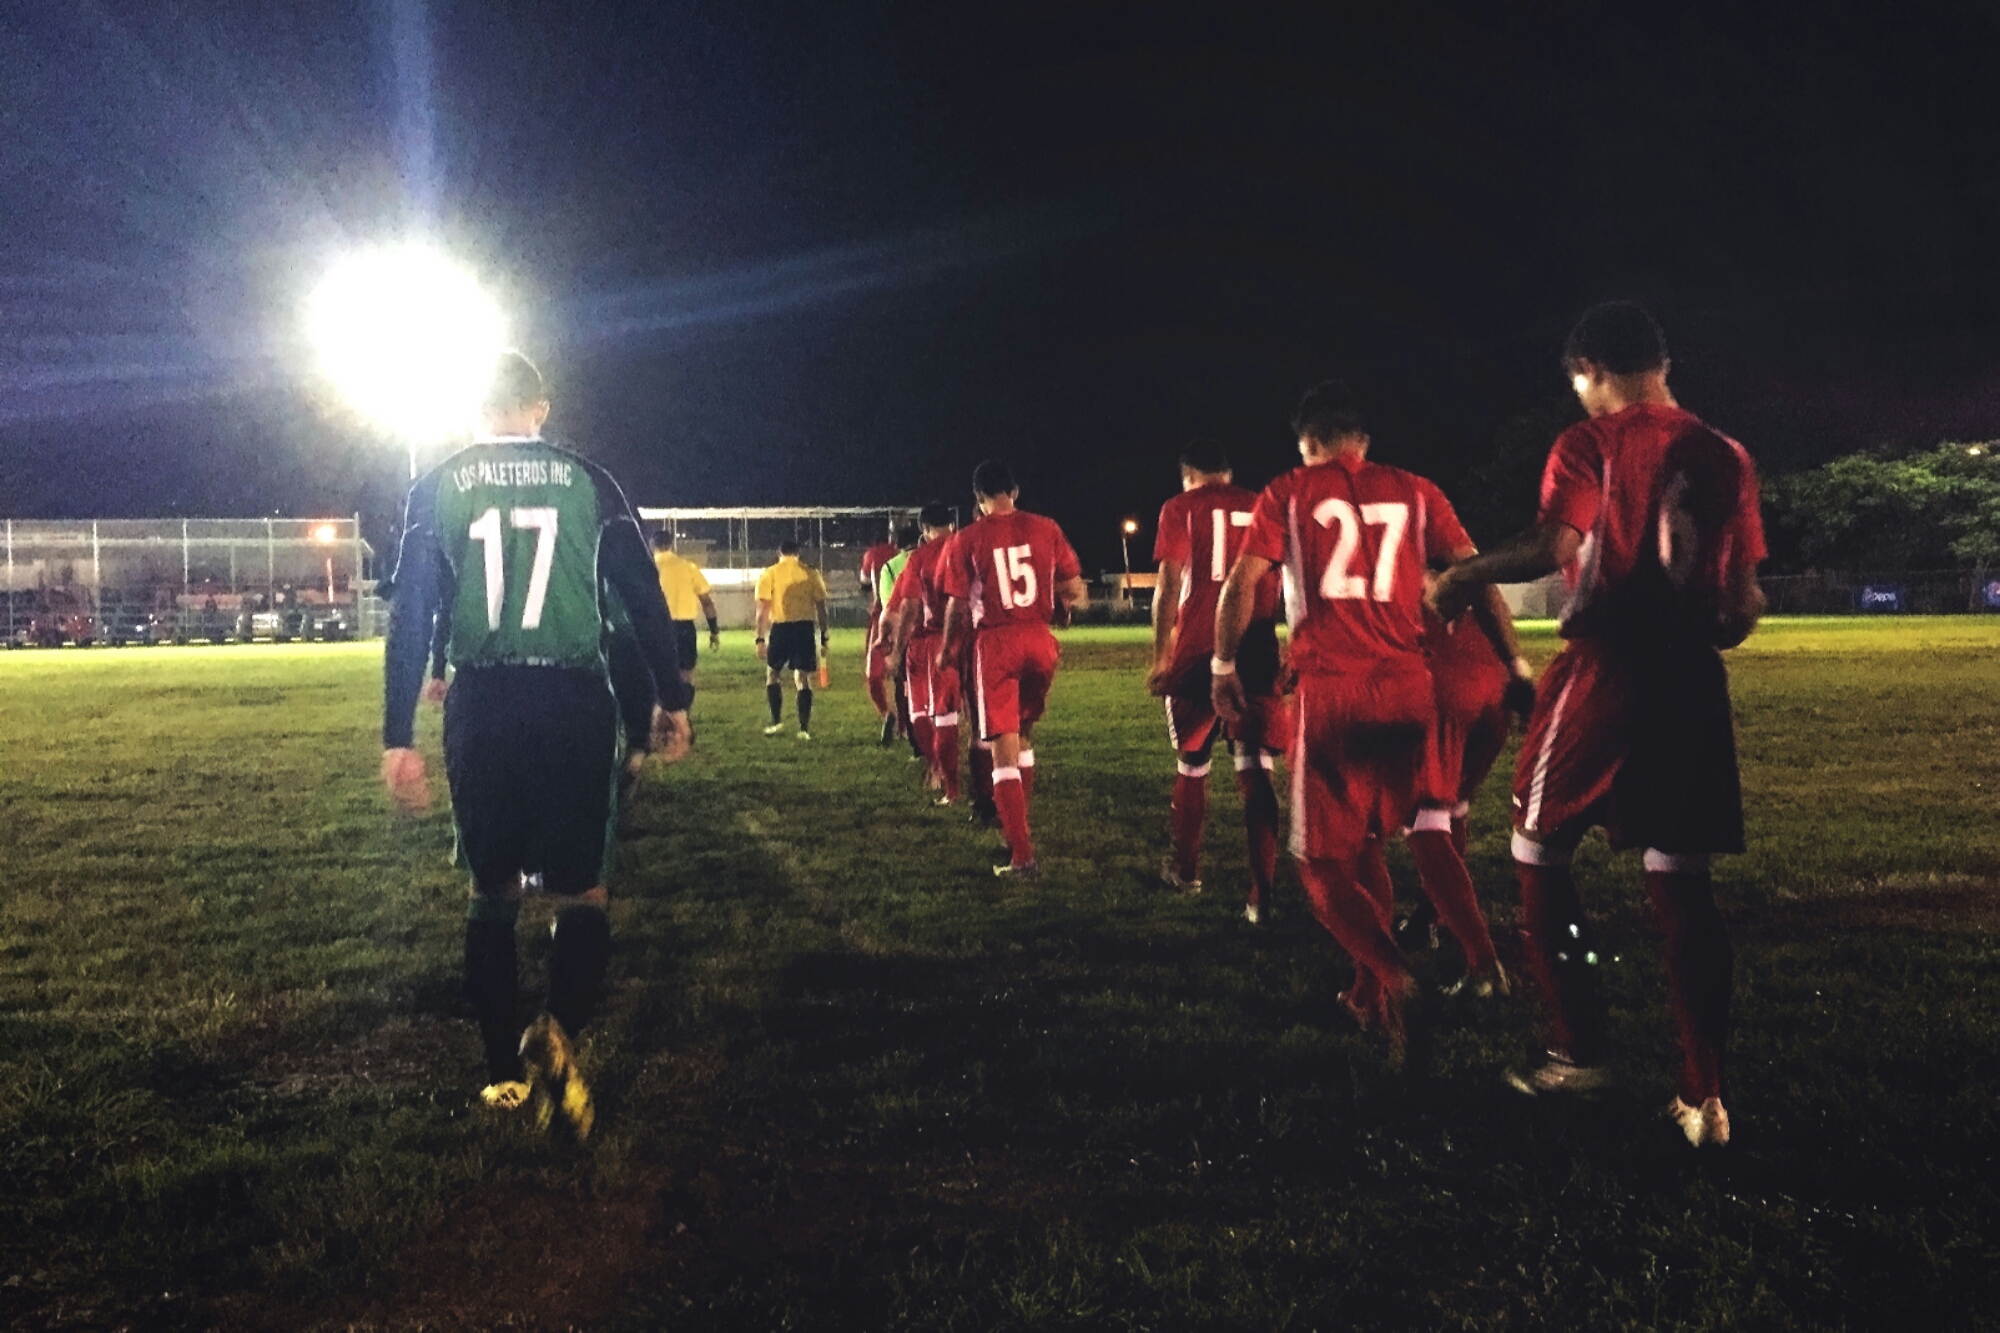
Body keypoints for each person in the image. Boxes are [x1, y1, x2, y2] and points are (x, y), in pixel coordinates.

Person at [1428, 301, 1765, 1147]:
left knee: (1537, 847)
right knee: (1683, 880)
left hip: (1609, 661)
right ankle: (1706, 1096)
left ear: (1590, 372)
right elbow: (1742, 604)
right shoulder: (1726, 452)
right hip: (1692, 674)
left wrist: (1461, 575)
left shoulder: (1589, 440)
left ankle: (1579, 1048)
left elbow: (1553, 544)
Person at [381, 350, 691, 1137]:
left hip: (482, 699)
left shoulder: (437, 484)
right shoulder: (588, 480)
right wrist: (671, 695)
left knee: (492, 890)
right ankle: (555, 1031)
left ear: (475, 409)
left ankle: (499, 1078)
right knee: (582, 888)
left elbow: (411, 612)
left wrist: (398, 734)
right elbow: (641, 591)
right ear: (541, 407)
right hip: (571, 698)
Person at [1213, 380, 1485, 1054]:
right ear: (1364, 439)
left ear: (1308, 444)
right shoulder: (1418, 488)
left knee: (1320, 864)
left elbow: (1244, 580)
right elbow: (1473, 571)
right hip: (1409, 688)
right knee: (1370, 843)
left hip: (1334, 691)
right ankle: (1367, 993)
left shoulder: (1287, 490)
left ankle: (1395, 975)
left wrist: (1222, 667)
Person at [1144, 438, 1289, 923]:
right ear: (1228, 472)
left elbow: (1167, 586)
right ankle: (1260, 890)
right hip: (1255, 645)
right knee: (1255, 765)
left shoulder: (1180, 507)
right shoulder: (1261, 503)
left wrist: (1161, 654)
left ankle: (1187, 872)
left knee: (1192, 761)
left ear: (1189, 475)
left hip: (1198, 649)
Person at [938, 461, 1087, 877]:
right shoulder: (1047, 527)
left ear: (978, 499)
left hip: (998, 641)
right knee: (1023, 738)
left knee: (1002, 747)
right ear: (1015, 491)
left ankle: (1021, 854)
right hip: (1040, 640)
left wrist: (949, 648)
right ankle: (1016, 829)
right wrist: (1062, 609)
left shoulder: (968, 537)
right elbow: (1074, 588)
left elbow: (957, 602)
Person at [887, 504, 961, 802]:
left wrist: (894, 648)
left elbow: (905, 607)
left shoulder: (918, 558)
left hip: (931, 641)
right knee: (974, 718)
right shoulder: (966, 544)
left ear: (925, 530)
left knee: (925, 713)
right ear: (952, 524)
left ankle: (943, 778)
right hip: (975, 637)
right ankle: (993, 787)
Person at [755, 538, 830, 739]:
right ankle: (804, 729)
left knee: (772, 674)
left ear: (779, 553)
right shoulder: (811, 573)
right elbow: (821, 607)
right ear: (798, 553)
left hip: (781, 628)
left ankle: (776, 721)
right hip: (804, 628)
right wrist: (824, 634)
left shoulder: (770, 573)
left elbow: (762, 610)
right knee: (803, 678)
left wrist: (760, 638)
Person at [652, 529, 721, 723]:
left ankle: (660, 719)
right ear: (671, 544)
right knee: (686, 675)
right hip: (684, 628)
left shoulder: (649, 567)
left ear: (652, 546)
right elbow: (706, 601)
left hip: (657, 627)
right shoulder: (687, 567)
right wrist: (714, 630)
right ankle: (683, 718)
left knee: (657, 674)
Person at [860, 525, 905, 744]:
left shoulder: (873, 554)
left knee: (874, 675)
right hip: (911, 617)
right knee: (903, 677)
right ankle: (907, 726)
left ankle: (887, 713)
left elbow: (864, 584)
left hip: (882, 616)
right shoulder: (915, 556)